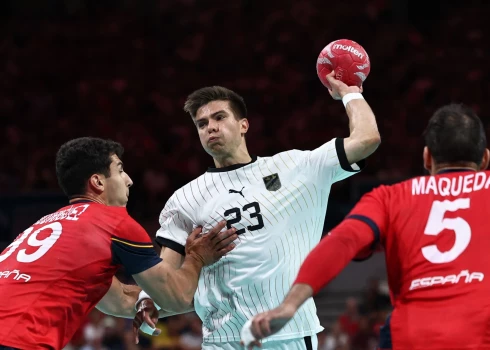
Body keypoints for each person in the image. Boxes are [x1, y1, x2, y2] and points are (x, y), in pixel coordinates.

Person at [135, 71, 381, 350]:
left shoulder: (297, 168)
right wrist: (148, 298)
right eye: (201, 124)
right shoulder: (184, 199)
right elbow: (167, 269)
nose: (210, 128)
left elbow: (366, 139)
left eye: (219, 117)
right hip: (222, 339)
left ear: (244, 125)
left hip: (289, 335)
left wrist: (350, 94)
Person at [243, 103, 490, 350]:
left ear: (427, 157)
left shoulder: (390, 198)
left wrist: (289, 306)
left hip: (414, 336)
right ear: (485, 158)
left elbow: (343, 241)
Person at [0, 137, 237, 350]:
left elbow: (120, 301)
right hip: (16, 341)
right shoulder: (114, 223)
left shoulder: (42, 226)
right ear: (98, 182)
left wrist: (145, 300)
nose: (130, 180)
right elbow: (176, 296)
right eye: (120, 170)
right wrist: (197, 258)